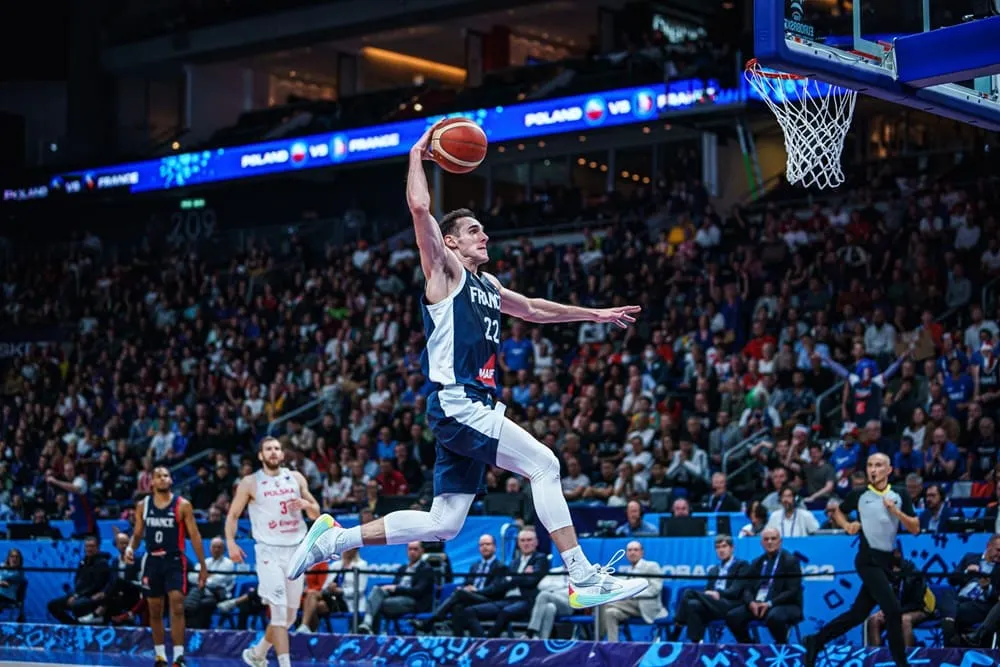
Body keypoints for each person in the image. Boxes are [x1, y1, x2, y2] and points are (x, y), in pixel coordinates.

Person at [288, 127, 648, 609]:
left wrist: (595, 314)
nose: (485, 235)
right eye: (473, 230)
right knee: (545, 465)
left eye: (482, 228)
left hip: (465, 406)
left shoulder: (489, 285)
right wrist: (418, 155)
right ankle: (581, 575)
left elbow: (535, 309)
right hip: (459, 400)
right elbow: (420, 209)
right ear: (451, 244)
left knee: (443, 524)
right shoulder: (446, 273)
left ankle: (332, 539)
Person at [803, 453, 920, 667]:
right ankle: (902, 664)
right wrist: (847, 525)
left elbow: (915, 528)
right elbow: (838, 512)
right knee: (893, 611)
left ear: (889, 470)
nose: (873, 470)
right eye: (869, 465)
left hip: (887, 563)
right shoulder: (859, 495)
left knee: (857, 615)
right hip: (867, 559)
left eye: (878, 465)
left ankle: (816, 640)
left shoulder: (900, 493)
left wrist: (895, 511)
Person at [225, 438, 322, 667]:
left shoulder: (296, 478)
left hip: (296, 550)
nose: (273, 452)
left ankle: (258, 654)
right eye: (268, 449)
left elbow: (317, 513)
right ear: (261, 455)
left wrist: (307, 505)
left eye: (277, 449)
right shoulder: (250, 482)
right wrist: (230, 542)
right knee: (277, 615)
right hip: (268, 551)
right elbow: (232, 515)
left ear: (282, 454)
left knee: (289, 618)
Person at [125, 467, 208, 667]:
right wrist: (130, 548)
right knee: (154, 609)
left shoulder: (182, 505)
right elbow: (137, 533)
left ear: (170, 480)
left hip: (174, 560)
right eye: (159, 476)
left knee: (178, 603)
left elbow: (195, 536)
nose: (163, 479)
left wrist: (203, 566)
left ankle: (179, 657)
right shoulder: (142, 505)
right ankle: (160, 656)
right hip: (152, 560)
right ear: (152, 482)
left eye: (166, 476)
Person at [413, 534, 507, 633]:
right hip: (472, 598)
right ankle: (458, 639)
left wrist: (476, 590)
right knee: (457, 607)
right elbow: (467, 582)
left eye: (487, 544)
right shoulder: (475, 566)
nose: (484, 547)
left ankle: (431, 620)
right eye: (481, 545)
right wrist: (466, 588)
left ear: (495, 547)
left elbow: (495, 588)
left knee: (460, 594)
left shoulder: (500, 567)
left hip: (489, 599)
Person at [725, 528, 804, 644]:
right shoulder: (757, 562)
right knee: (733, 616)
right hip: (758, 604)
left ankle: (781, 646)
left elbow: (792, 591)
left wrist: (769, 603)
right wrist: (751, 602)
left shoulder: (790, 561)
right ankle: (749, 647)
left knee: (774, 617)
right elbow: (747, 587)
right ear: (762, 543)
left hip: (785, 605)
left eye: (773, 539)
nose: (770, 542)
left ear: (780, 541)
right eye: (766, 539)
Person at [673, 534, 749, 642]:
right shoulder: (714, 570)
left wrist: (719, 593)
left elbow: (736, 591)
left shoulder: (742, 565)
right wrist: (711, 595)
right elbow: (707, 592)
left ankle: (677, 628)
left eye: (724, 546)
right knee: (693, 604)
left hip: (731, 605)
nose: (721, 550)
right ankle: (696, 645)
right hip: (713, 605)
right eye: (718, 547)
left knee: (689, 593)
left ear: (732, 548)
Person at [597, 541, 666, 642]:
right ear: (626, 554)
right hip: (629, 607)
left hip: (645, 606)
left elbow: (655, 589)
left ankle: (597, 638)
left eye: (635, 550)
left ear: (642, 552)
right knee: (610, 612)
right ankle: (612, 645)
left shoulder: (651, 566)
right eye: (629, 550)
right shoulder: (629, 570)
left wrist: (633, 594)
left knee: (603, 602)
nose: (632, 552)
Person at [864, 550, 934, 648]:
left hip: (920, 609)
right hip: (897, 610)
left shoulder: (914, 575)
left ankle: (908, 656)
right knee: (874, 619)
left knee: (904, 620)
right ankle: (875, 656)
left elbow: (917, 603)